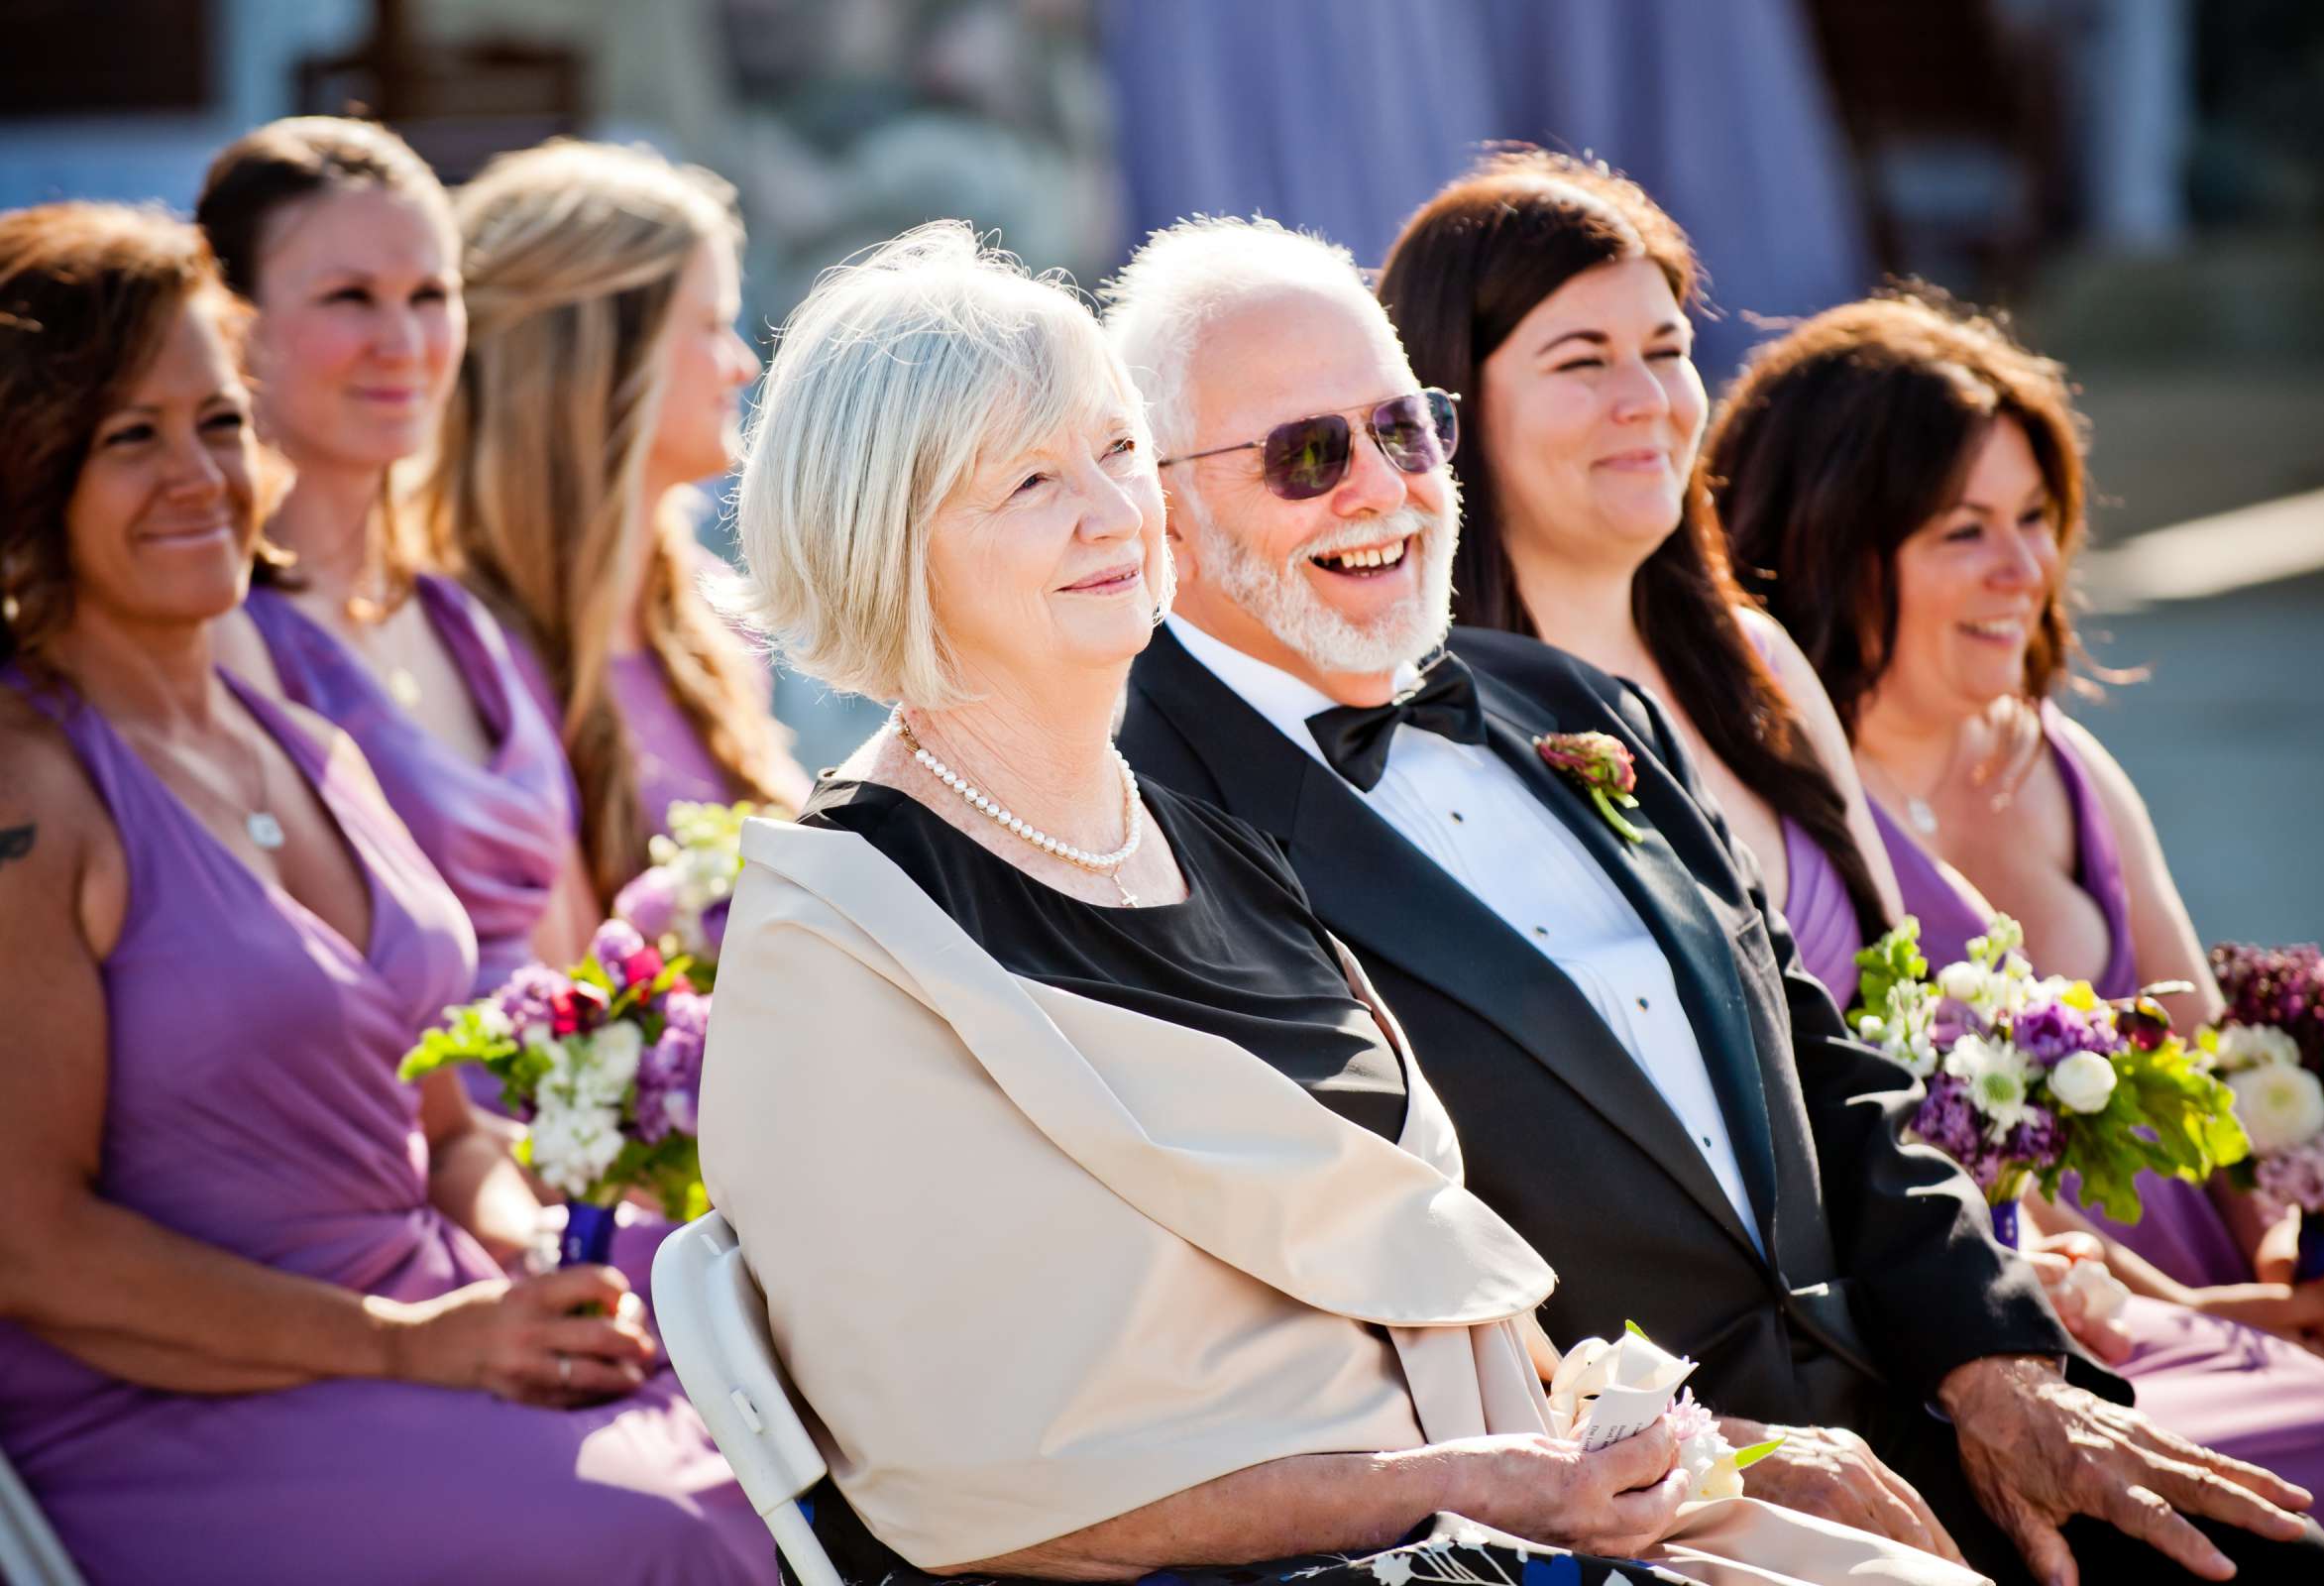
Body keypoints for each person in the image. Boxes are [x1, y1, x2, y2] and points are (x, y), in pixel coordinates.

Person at [704, 221, 1988, 1586]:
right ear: (883, 545)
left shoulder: (1204, 843)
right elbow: (970, 1490)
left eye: (1119, 450)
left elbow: (1426, 1297)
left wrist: (1680, 1447)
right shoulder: (838, 928)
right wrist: (1467, 1482)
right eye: (1029, 479)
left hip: (1489, 1515)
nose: (1114, 511)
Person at [1104, 214, 2324, 1584]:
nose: (1382, 489)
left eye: (1404, 429)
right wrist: (1727, 1461)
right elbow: (1322, 1306)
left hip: (1927, 1415)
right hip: (1655, 1526)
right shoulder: (1137, 818)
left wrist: (2001, 1368)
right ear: (1158, 502)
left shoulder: (1568, 701)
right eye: (1307, 454)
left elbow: (1831, 1066)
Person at [0, 203, 771, 1583]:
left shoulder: (306, 740)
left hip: (427, 1325)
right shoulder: (31, 790)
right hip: (170, 1406)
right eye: (132, 436)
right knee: (653, 1537)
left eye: (221, 422)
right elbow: (34, 1251)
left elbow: (442, 1135)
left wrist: (527, 1252)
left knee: (794, 1448)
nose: (199, 475)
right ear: (28, 466)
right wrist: (415, 1346)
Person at [1708, 288, 2324, 1555]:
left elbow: (2226, 1072)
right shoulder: (1781, 816)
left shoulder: (2066, 765)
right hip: (2020, 1321)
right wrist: (2228, 1319)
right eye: (1965, 531)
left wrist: (2300, 1261)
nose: (2023, 570)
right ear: (1836, 539)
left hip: (2226, 1294)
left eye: (2033, 520)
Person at [1373, 148, 1898, 1007]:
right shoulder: (1410, 729)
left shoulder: (1758, 658)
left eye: (1667, 349)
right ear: (1449, 404)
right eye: (1584, 361)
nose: (1648, 399)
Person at [197, 116, 594, 997]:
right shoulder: (221, 640)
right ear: (234, 326)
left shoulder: (469, 621)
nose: (405, 343)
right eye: (349, 297)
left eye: (429, 295)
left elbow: (570, 948)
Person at [419, 138, 807, 905]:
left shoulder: (711, 609)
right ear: (593, 357)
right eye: (710, 325)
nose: (743, 365)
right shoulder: (448, 646)